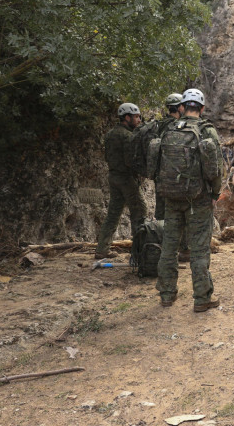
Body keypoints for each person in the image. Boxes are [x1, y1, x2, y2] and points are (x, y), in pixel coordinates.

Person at [156, 88, 224, 312]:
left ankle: (166, 294)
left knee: (169, 246)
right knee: (199, 249)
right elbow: (215, 168)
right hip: (198, 199)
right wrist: (214, 194)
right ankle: (202, 298)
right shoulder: (206, 130)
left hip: (171, 197)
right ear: (202, 108)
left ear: (183, 107)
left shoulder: (168, 129)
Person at [95, 103, 148, 260]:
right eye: (136, 117)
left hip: (113, 177)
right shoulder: (127, 136)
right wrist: (143, 172)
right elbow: (130, 161)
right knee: (140, 212)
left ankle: (101, 250)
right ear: (127, 117)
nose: (139, 120)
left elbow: (107, 157)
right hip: (126, 179)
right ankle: (139, 252)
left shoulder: (110, 134)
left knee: (113, 214)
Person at [153, 93, 192, 262]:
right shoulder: (179, 127)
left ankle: (159, 249)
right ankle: (184, 250)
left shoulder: (157, 126)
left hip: (161, 178)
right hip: (179, 179)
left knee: (163, 215)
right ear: (179, 107)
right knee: (183, 215)